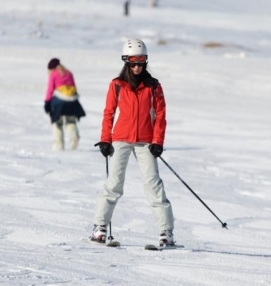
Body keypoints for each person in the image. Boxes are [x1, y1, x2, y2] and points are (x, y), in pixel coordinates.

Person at [92, 39, 175, 247]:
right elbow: (108, 113)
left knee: (153, 184)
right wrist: (105, 139)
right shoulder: (117, 85)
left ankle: (166, 232)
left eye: (141, 62)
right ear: (126, 62)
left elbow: (161, 116)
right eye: (133, 62)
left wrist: (157, 141)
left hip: (145, 141)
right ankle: (99, 227)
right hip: (120, 139)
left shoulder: (154, 86)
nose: (137, 67)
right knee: (114, 184)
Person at [44, 58, 86, 150]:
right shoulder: (69, 73)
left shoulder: (54, 74)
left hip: (60, 102)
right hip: (72, 101)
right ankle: (74, 137)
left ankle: (58, 145)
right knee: (71, 121)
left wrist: (47, 103)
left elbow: (50, 90)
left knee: (57, 123)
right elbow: (74, 88)